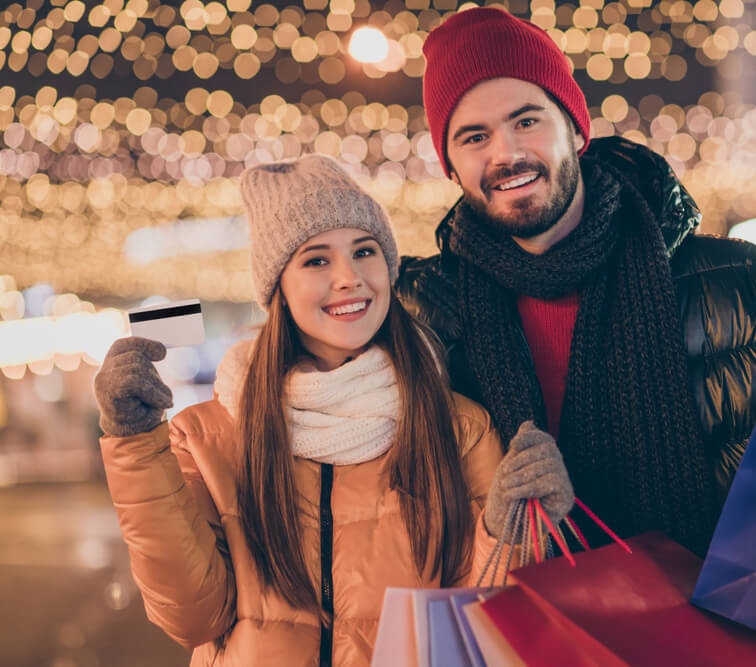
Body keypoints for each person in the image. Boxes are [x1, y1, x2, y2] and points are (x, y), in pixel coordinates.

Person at [396, 7, 756, 555]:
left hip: (724, 633)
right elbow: (375, 520)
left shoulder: (746, 286)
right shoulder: (420, 317)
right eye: (474, 137)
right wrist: (490, 529)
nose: (507, 153)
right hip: (527, 641)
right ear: (450, 163)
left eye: (526, 120)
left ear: (573, 125)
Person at [93, 155, 573, 667]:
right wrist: (136, 444)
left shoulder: (458, 427)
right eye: (316, 259)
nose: (348, 278)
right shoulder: (211, 435)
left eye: (364, 251)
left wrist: (510, 530)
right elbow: (193, 618)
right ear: (278, 286)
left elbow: (480, 622)